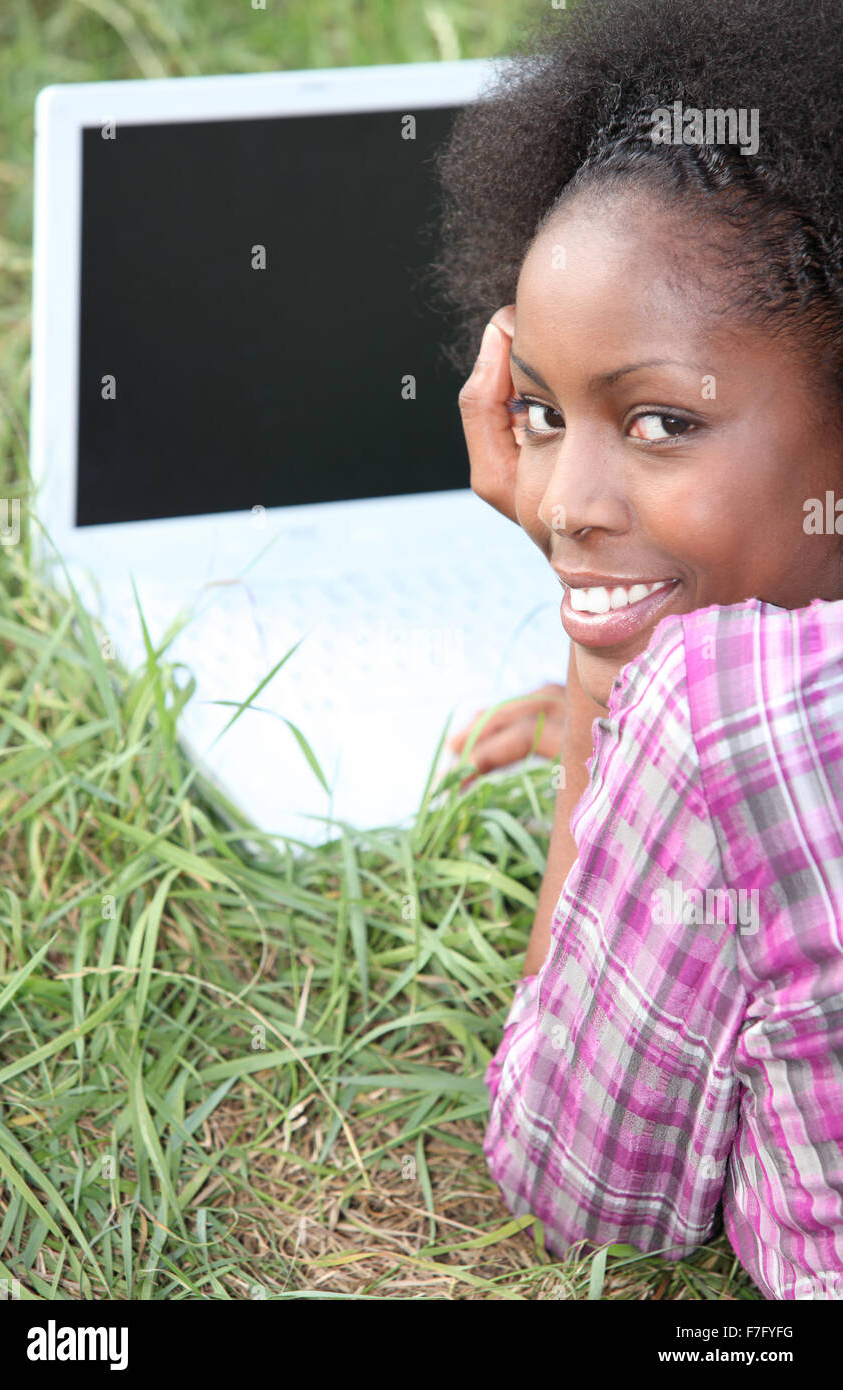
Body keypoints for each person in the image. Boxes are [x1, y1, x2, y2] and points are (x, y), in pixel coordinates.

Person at [426, 0, 843, 1298]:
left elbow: (580, 1181)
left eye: (659, 419)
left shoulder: (737, 719)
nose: (558, 502)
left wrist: (617, 688)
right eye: (539, 410)